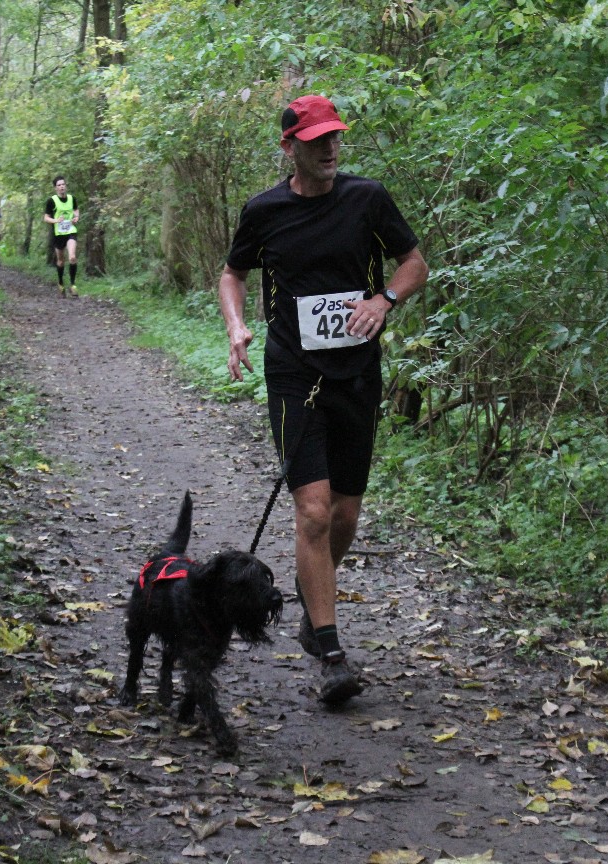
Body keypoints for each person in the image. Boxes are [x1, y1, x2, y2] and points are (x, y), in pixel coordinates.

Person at [218, 95, 429, 705]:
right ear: (290, 147)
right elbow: (233, 273)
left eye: (335, 137)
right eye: (316, 141)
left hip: (356, 375)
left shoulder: (367, 198)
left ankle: (315, 601)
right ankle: (331, 652)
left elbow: (414, 262)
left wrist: (384, 300)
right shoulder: (265, 211)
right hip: (293, 374)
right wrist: (236, 326)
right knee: (312, 511)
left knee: (344, 516)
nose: (330, 149)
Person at [43, 176, 79, 297]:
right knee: (60, 261)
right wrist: (56, 220)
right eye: (59, 185)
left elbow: (76, 210)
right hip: (58, 234)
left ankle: (73, 285)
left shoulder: (72, 198)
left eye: (63, 184)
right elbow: (46, 218)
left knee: (72, 257)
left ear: (66, 186)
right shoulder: (51, 201)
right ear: (55, 188)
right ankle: (60, 283)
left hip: (71, 231)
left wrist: (76, 217)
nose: (62, 186)